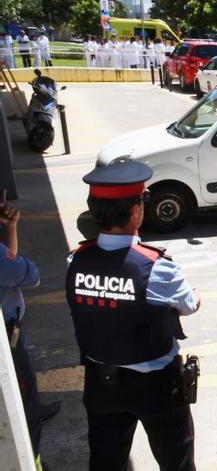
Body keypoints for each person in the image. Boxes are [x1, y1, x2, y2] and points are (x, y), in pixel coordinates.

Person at [66, 161, 200, 470]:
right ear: (136, 210)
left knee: (106, 461)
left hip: (102, 383)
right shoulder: (157, 266)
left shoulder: (74, 260)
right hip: (156, 387)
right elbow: (189, 305)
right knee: (176, 461)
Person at [1, 201, 59, 471]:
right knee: (28, 410)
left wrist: (10, 228)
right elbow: (29, 275)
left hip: (11, 336)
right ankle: (33, 463)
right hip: (7, 346)